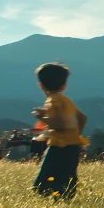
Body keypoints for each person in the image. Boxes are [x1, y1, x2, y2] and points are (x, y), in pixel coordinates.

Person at [31, 63, 88, 199]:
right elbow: (82, 118)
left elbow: (59, 125)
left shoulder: (53, 100)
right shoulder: (65, 100)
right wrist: (75, 136)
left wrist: (42, 117)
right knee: (67, 177)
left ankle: (51, 205)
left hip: (59, 146)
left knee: (42, 184)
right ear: (64, 86)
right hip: (73, 144)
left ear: (40, 85)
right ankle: (65, 200)